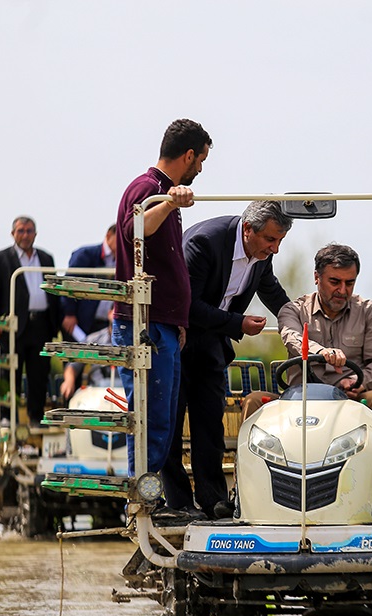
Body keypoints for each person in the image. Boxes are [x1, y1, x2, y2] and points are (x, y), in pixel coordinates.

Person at [166, 201, 292, 519]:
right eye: (270, 240)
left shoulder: (262, 255)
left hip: (212, 343)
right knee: (170, 423)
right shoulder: (204, 242)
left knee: (210, 423)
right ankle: (178, 502)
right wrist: (238, 324)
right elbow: (188, 306)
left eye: (279, 241)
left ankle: (213, 501)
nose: (274, 249)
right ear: (248, 230)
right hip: (176, 340)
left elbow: (273, 293)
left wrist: (302, 322)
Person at [112, 118, 212, 487]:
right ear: (188, 156)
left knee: (163, 416)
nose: (200, 169)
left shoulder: (164, 192)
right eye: (200, 160)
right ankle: (141, 495)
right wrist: (168, 203)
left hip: (163, 323)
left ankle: (150, 493)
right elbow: (135, 228)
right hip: (143, 323)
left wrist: (180, 320)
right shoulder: (148, 189)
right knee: (149, 415)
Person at [241, 243, 372, 441]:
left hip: (351, 402)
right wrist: (323, 353)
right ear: (316, 277)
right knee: (253, 401)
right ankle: (247, 470)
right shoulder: (292, 310)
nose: (342, 290)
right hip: (297, 402)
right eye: (334, 281)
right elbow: (292, 338)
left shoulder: (369, 311)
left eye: (349, 283)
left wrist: (359, 381)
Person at [0, 216, 60, 427]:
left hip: (41, 324)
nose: (25, 235)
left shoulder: (45, 258)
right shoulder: (0, 259)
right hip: (13, 326)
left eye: (29, 231)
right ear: (13, 233)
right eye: (21, 231)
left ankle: (36, 418)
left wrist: (57, 322)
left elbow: (53, 291)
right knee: (10, 374)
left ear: (35, 234)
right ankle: (8, 418)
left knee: (39, 375)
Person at [61, 225, 116, 342]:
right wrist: (69, 314)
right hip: (82, 322)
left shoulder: (124, 260)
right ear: (109, 235)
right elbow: (68, 283)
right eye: (121, 237)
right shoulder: (85, 254)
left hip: (108, 325)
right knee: (76, 359)